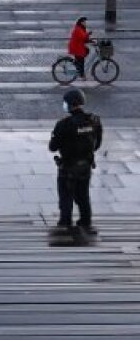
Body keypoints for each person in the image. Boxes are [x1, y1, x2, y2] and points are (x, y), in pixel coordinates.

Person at [49, 87, 103, 233]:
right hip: (85, 166)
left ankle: (65, 224)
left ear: (70, 104)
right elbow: (97, 144)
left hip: (67, 167)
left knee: (66, 197)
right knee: (83, 196)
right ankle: (85, 222)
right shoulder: (94, 120)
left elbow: (52, 147)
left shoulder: (63, 124)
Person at [68, 16, 93, 80]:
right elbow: (83, 37)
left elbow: (84, 38)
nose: (85, 23)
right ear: (81, 22)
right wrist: (88, 34)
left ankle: (78, 67)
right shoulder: (78, 29)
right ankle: (81, 74)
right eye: (84, 22)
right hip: (76, 47)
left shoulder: (81, 28)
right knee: (81, 60)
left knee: (86, 52)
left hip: (78, 46)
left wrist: (91, 40)